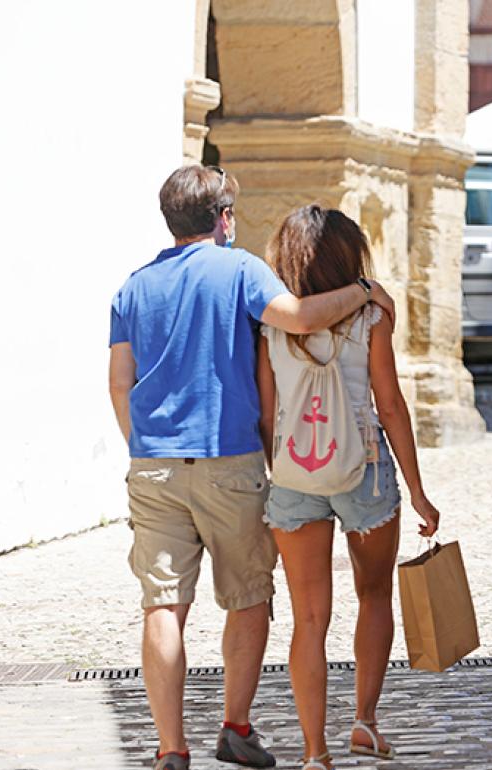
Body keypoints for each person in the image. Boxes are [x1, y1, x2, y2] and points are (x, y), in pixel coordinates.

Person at [108, 165, 398, 770]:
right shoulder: (238, 268)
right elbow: (298, 317)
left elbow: (118, 383)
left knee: (163, 606)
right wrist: (366, 292)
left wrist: (145, 445)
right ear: (223, 218)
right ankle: (236, 728)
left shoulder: (132, 287)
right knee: (246, 600)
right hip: (229, 460)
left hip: (153, 465)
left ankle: (170, 747)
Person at [257, 206, 441, 770]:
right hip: (365, 472)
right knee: (375, 594)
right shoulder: (371, 322)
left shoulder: (269, 328)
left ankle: (315, 752)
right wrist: (416, 490)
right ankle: (364, 721)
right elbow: (390, 406)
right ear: (348, 257)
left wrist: (280, 475)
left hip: (294, 477)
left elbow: (267, 416)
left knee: (308, 618)